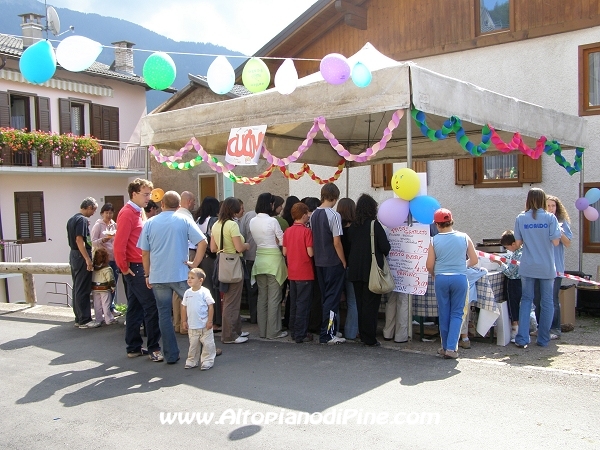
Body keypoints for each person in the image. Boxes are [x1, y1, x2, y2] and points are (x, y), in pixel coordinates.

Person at [138, 191, 207, 364]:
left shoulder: (150, 222)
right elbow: (202, 242)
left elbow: (144, 253)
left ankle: (170, 354)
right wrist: (194, 263)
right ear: (178, 206)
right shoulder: (183, 220)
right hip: (180, 274)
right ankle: (204, 349)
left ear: (162, 204)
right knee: (196, 309)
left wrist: (147, 274)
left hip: (158, 275)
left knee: (164, 315)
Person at [114, 178, 162, 361]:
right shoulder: (127, 213)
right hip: (135, 266)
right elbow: (120, 243)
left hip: (137, 265)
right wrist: (124, 268)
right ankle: (153, 347)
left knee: (135, 308)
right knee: (151, 306)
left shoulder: (137, 211)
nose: (148, 198)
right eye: (145, 194)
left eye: (149, 194)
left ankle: (133, 346)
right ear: (134, 194)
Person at [426, 208, 478, 359]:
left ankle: (444, 346)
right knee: (457, 314)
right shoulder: (463, 237)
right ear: (451, 221)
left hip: (441, 278)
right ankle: (451, 348)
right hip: (460, 278)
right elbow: (474, 260)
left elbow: (429, 265)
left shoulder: (433, 240)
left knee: (444, 313)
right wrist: (463, 265)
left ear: (437, 224)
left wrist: (435, 274)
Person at [513, 188, 561, 348]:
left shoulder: (520, 218)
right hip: (546, 266)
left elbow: (518, 244)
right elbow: (556, 242)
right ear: (542, 200)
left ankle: (522, 338)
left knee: (526, 300)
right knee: (547, 302)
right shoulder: (550, 218)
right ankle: (543, 339)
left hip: (527, 265)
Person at [347, 194, 391, 347]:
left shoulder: (353, 226)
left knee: (360, 304)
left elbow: (348, 247)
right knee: (371, 306)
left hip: (355, 270)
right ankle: (369, 338)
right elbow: (386, 247)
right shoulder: (374, 225)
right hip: (371, 270)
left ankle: (363, 334)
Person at [309, 183, 346, 345]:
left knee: (325, 297)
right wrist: (343, 261)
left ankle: (329, 330)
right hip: (332, 261)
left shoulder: (313, 214)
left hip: (319, 261)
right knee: (332, 300)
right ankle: (328, 333)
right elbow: (337, 242)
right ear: (335, 197)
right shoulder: (334, 215)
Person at [211, 197, 250, 344]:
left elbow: (213, 248)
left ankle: (237, 331)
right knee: (232, 301)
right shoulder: (232, 225)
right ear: (233, 209)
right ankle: (229, 335)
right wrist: (246, 245)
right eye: (240, 207)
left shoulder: (216, 224)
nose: (242, 210)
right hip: (233, 262)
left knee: (228, 298)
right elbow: (239, 247)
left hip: (221, 263)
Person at [250, 193, 288, 339]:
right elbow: (282, 241)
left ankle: (263, 331)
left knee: (262, 298)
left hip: (259, 260)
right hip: (273, 261)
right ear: (270, 204)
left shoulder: (252, 221)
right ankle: (273, 331)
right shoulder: (273, 221)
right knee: (274, 298)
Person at [534, 195, 572, 339]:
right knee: (537, 299)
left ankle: (555, 329)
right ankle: (541, 327)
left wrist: (558, 229)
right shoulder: (539, 222)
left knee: (552, 299)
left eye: (553, 206)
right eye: (548, 206)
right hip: (540, 266)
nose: (551, 208)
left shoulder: (562, 222)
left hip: (556, 267)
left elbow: (567, 243)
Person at [282, 202, 314, 343]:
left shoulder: (288, 231)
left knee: (294, 302)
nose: (308, 216)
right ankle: (301, 333)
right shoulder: (307, 232)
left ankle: (294, 331)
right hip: (305, 272)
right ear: (302, 215)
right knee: (303, 304)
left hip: (292, 272)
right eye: (307, 214)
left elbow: (285, 252)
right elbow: (310, 253)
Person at [67, 197, 100, 328]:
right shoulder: (82, 220)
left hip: (73, 255)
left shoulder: (72, 219)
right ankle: (84, 319)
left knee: (77, 287)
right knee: (83, 288)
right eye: (94, 210)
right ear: (90, 207)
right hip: (81, 254)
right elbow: (79, 240)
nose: (93, 213)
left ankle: (79, 317)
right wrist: (87, 259)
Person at [172, 191, 199, 335]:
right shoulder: (187, 217)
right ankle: (185, 325)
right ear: (188, 202)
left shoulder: (174, 215)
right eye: (194, 201)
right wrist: (195, 261)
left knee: (177, 292)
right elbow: (198, 240)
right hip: (187, 254)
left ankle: (177, 324)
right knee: (186, 291)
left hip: (176, 255)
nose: (195, 203)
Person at [195, 196, 222, 331]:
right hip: (211, 257)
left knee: (204, 289)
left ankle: (204, 318)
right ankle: (215, 320)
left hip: (200, 257)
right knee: (213, 289)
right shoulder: (214, 221)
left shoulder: (198, 221)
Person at [181, 268, 217, 370]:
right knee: (193, 345)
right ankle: (192, 360)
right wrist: (184, 321)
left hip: (204, 324)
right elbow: (184, 307)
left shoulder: (205, 292)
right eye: (188, 278)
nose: (189, 280)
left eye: (192, 278)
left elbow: (210, 306)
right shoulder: (187, 293)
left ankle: (207, 360)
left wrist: (210, 321)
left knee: (208, 344)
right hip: (192, 325)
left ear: (200, 280)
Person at [90, 203, 121, 315]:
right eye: (106, 213)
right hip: (103, 260)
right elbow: (93, 242)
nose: (108, 215)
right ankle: (103, 310)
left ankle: (110, 308)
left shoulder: (115, 225)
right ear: (102, 213)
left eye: (110, 213)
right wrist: (103, 240)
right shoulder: (98, 226)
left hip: (114, 258)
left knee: (113, 283)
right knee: (103, 285)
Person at [336, 197, 358, 340]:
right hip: (352, 267)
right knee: (352, 302)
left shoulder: (337, 228)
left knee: (335, 301)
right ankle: (351, 332)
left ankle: (334, 330)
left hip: (336, 267)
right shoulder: (356, 229)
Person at [498, 230, 523, 343]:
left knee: (513, 307)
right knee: (519, 306)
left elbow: (509, 272)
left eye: (507, 247)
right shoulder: (521, 252)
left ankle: (515, 331)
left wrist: (499, 263)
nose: (507, 250)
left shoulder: (518, 255)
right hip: (522, 282)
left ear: (513, 244)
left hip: (513, 283)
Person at [239, 201, 258, 324]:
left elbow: (242, 235)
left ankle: (254, 316)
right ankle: (261, 317)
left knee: (252, 289)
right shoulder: (271, 220)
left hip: (249, 258)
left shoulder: (248, 216)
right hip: (261, 258)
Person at [91, 247, 116, 325]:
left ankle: (98, 319)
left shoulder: (93, 267)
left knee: (97, 304)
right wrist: (113, 286)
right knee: (106, 304)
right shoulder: (107, 268)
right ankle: (109, 319)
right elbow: (110, 279)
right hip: (104, 288)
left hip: (95, 288)